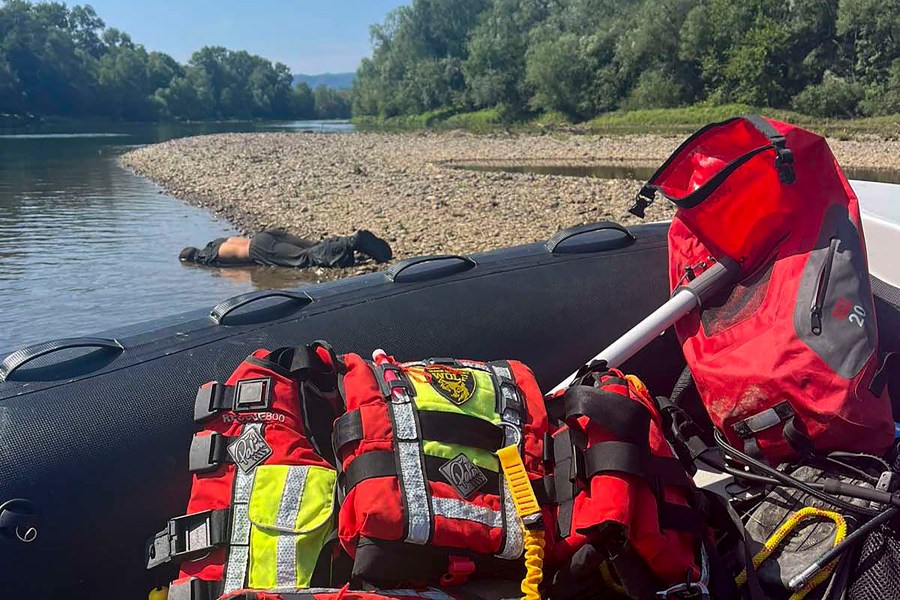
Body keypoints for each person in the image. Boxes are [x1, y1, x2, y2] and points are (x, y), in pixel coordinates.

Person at [179, 229, 392, 269]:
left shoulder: (209, 258)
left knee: (306, 258)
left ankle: (352, 242)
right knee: (314, 247)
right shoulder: (215, 242)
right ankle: (348, 248)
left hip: (259, 249)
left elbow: (237, 278)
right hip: (265, 235)